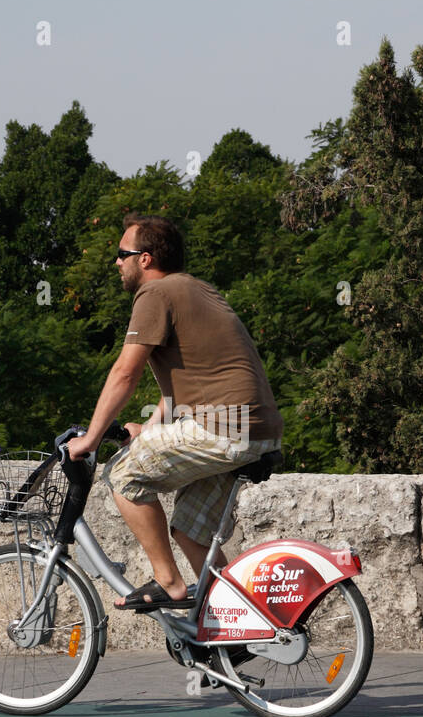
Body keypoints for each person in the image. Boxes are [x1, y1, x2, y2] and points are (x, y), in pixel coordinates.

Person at [66, 213, 283, 610]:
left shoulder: (156, 295)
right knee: (191, 532)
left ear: (145, 259)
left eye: (121, 254)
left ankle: (168, 583)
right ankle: (238, 624)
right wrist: (146, 432)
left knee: (122, 474)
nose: (116, 262)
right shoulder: (197, 290)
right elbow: (179, 390)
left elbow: (125, 373)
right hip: (254, 427)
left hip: (224, 426)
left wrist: (91, 438)